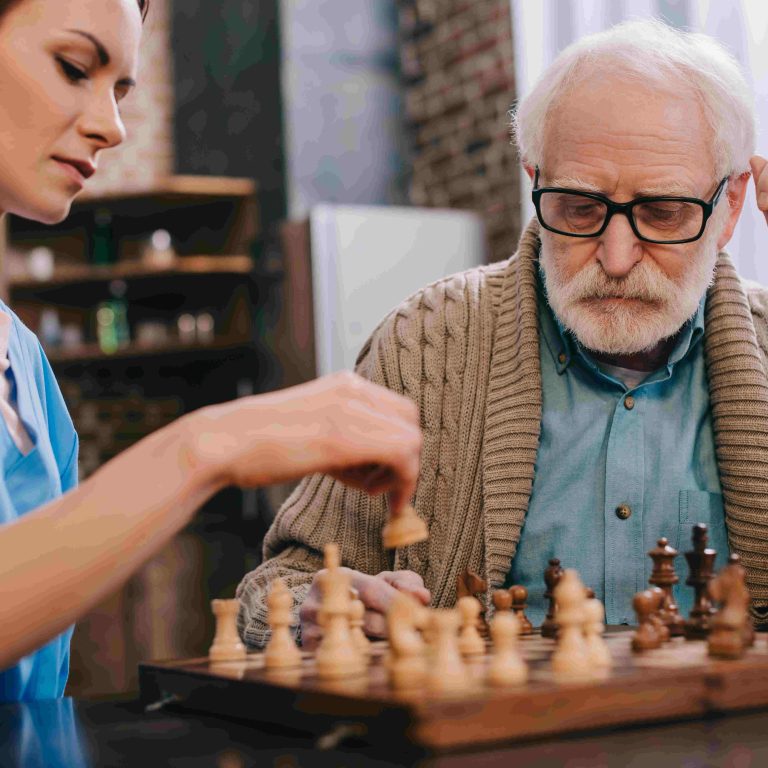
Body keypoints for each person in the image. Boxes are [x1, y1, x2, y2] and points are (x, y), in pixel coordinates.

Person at [237, 18, 768, 649]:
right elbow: (276, 585)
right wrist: (311, 610)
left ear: (731, 205)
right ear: (533, 179)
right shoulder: (422, 347)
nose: (618, 255)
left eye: (662, 212)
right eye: (579, 208)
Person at [0, 0, 422, 702]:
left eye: (120, 89)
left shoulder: (25, 365)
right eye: (74, 67)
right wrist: (212, 445)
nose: (111, 126)